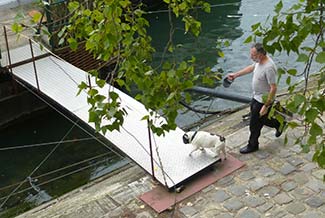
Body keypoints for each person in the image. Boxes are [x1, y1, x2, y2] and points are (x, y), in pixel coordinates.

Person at [227, 43, 284, 154]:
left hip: (263, 100)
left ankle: (253, 145)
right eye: (251, 54)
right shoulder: (259, 62)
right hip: (256, 97)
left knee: (254, 124)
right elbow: (251, 68)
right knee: (262, 119)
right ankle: (279, 124)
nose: (251, 57)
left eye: (253, 55)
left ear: (261, 54)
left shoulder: (269, 68)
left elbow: (273, 88)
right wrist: (235, 75)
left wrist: (266, 106)